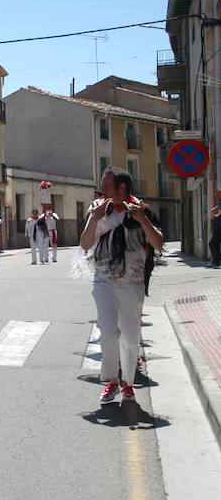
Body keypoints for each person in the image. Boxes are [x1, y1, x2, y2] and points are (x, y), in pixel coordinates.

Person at [81, 167, 163, 404]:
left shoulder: (142, 211)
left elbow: (157, 244)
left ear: (122, 188)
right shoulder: (97, 211)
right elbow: (85, 244)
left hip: (132, 283)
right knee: (107, 333)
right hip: (103, 281)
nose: (102, 190)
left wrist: (142, 219)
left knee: (129, 336)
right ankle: (111, 382)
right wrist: (94, 218)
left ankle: (128, 384)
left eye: (106, 186)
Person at [208, 189, 221, 268]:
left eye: (217, 193)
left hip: (219, 227)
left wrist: (215, 212)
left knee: (212, 243)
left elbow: (214, 211)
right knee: (214, 244)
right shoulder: (219, 202)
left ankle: (216, 262)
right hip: (218, 227)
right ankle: (216, 261)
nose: (215, 195)